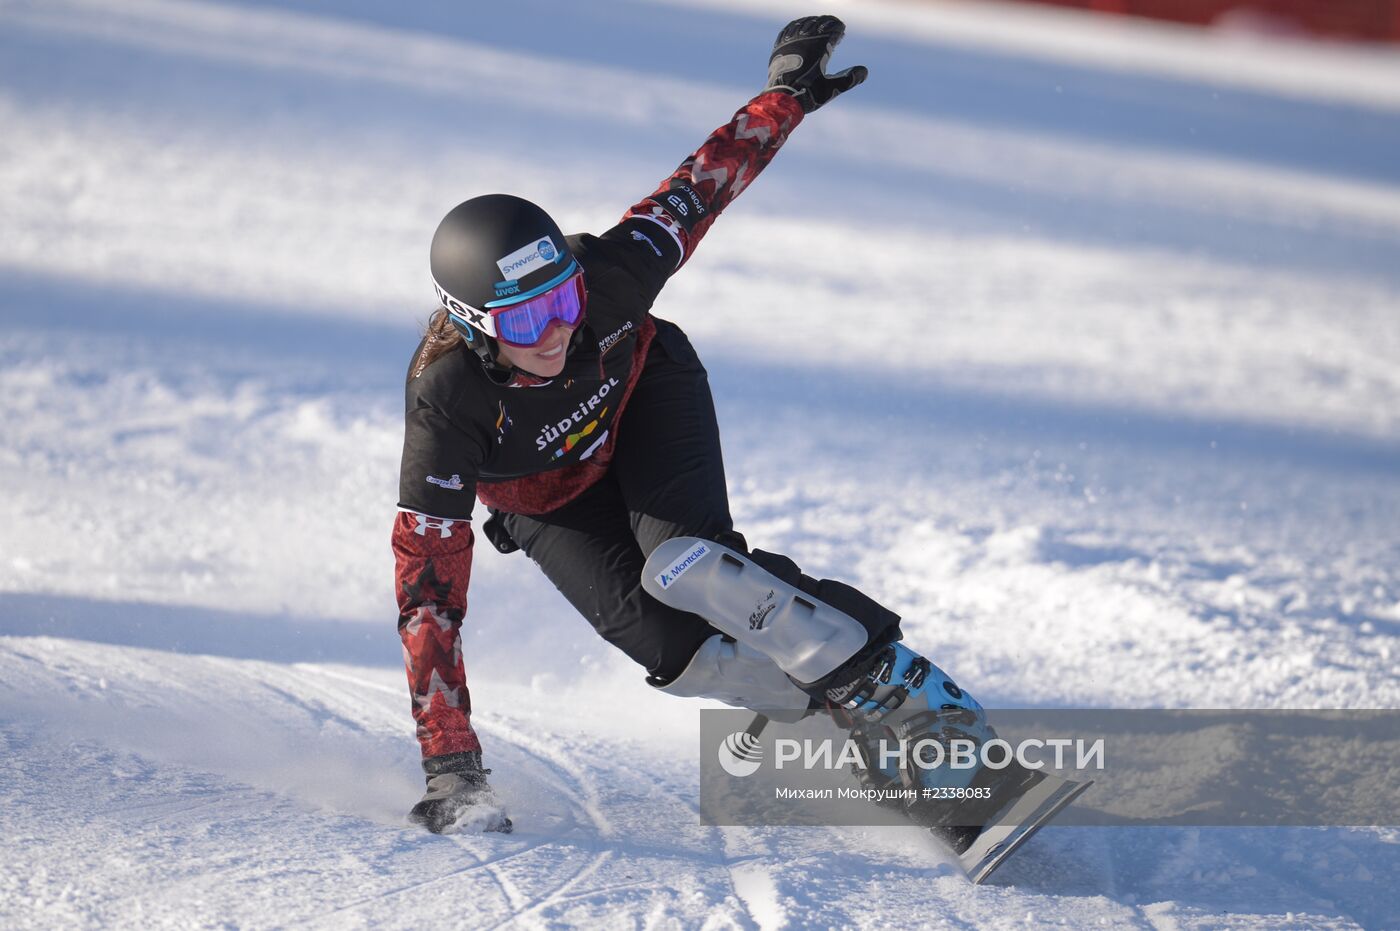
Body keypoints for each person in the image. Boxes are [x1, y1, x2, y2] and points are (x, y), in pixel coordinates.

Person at [393, 16, 998, 837]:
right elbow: (430, 595)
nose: (556, 330)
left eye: (563, 298)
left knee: (693, 565)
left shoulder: (608, 280)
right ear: (470, 324)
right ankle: (844, 728)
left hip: (645, 396)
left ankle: (926, 719)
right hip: (543, 496)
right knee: (681, 654)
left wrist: (785, 95)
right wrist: (452, 765)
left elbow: (704, 181)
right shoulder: (447, 404)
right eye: (526, 316)